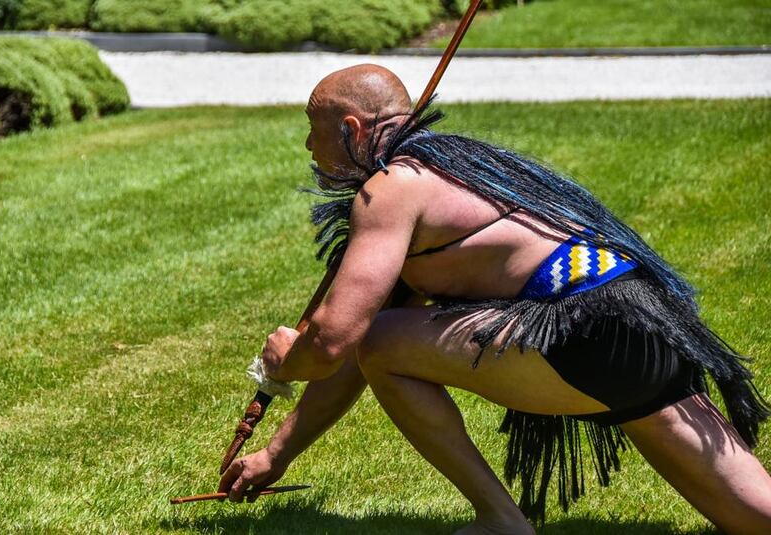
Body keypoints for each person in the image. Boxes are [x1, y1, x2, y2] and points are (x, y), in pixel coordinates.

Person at [218, 64, 771, 534]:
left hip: (586, 334)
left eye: (312, 131)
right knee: (756, 519)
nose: (308, 147)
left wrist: (285, 359)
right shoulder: (458, 167)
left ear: (351, 129)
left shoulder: (391, 188)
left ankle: (500, 519)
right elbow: (361, 341)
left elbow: (338, 341)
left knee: (382, 342)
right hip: (647, 328)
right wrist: (275, 455)